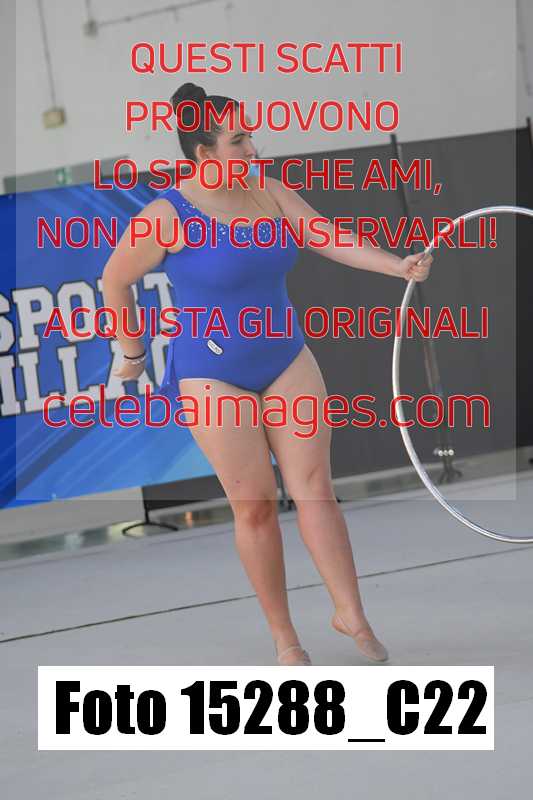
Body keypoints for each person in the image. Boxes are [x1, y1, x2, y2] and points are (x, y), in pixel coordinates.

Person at [102, 82, 432, 666]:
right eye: (239, 139)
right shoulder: (167, 216)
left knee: (315, 490)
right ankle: (285, 636)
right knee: (254, 507)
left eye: (250, 135)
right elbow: (114, 279)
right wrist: (130, 352)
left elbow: (327, 237)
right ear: (204, 153)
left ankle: (350, 612)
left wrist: (395, 266)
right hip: (212, 373)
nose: (253, 147)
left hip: (284, 358)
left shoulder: (269, 190)